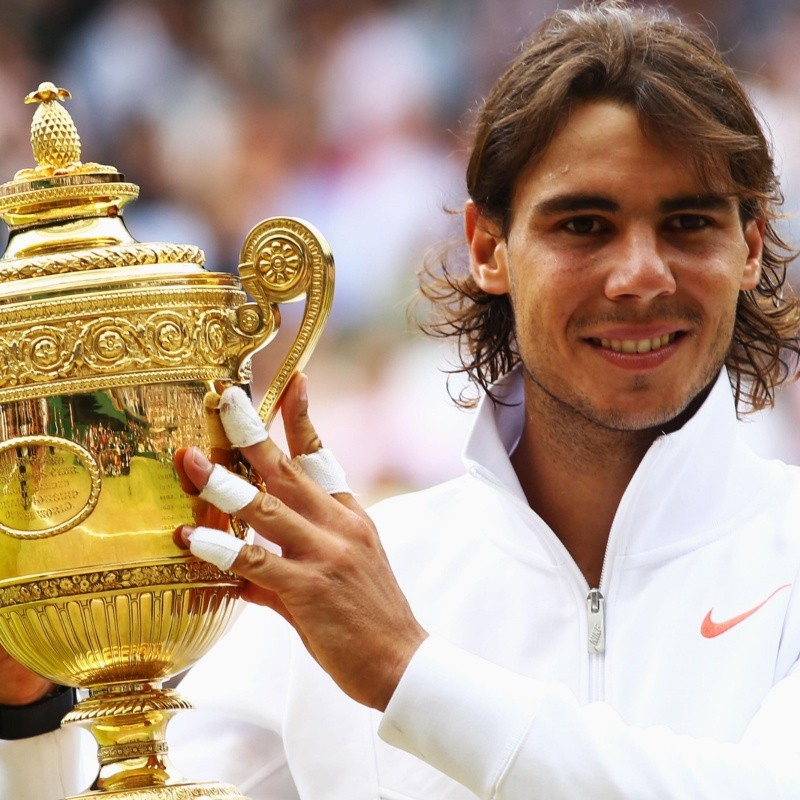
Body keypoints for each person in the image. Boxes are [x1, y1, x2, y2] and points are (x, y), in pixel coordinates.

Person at [4, 0, 800, 797]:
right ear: (489, 248)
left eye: (689, 223)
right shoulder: (346, 586)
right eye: (585, 225)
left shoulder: (366, 618)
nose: (640, 275)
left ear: (749, 248)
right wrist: (26, 713)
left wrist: (406, 670)